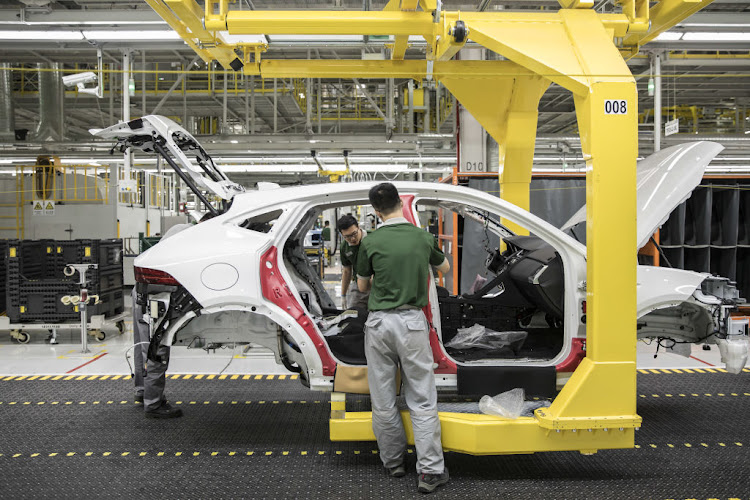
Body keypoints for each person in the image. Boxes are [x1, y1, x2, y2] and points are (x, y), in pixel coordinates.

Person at [356, 183, 451, 494]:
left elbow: (361, 287)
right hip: (411, 323)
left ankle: (393, 462)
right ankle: (430, 472)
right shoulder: (422, 238)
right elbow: (444, 268)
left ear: (376, 211)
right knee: (422, 398)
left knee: (383, 400)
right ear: (400, 203)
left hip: (380, 324)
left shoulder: (371, 241)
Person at [132, 211, 216, 418]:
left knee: (144, 345)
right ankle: (153, 404)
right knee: (156, 348)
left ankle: (142, 392)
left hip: (148, 291)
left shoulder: (183, 231)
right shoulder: (186, 234)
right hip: (156, 295)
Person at [337, 214, 369, 310]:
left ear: (358, 227)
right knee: (353, 314)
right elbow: (347, 271)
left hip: (378, 284)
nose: (352, 239)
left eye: (354, 234)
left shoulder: (373, 238)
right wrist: (343, 295)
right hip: (359, 284)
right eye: (347, 237)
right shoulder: (344, 247)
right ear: (342, 235)